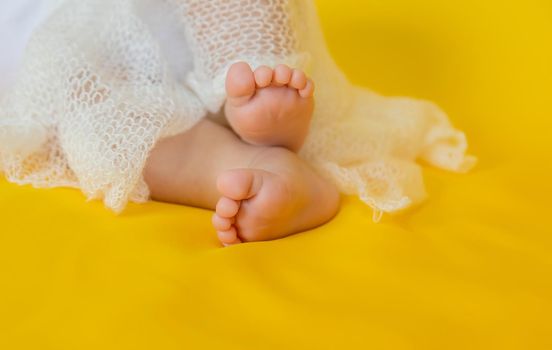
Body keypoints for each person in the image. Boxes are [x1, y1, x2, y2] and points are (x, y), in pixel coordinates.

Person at [0, 0, 475, 246]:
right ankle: (251, 163)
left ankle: (258, 93)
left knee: (235, 19)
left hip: (188, 36)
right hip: (78, 64)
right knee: (94, 118)